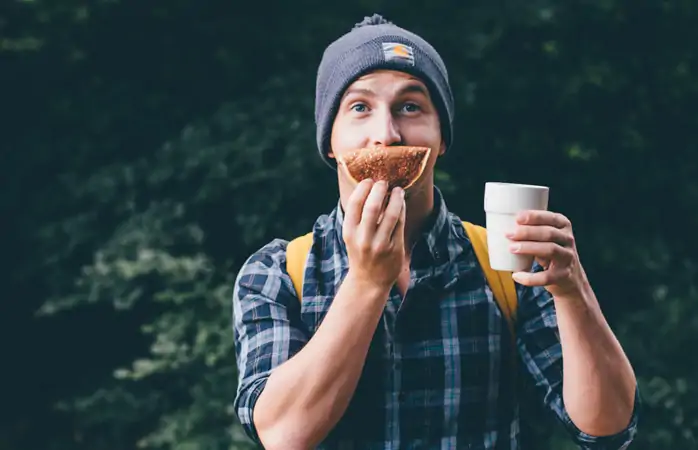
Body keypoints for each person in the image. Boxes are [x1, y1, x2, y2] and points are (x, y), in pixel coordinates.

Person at [232, 13, 640, 450]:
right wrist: (369, 282)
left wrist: (573, 290)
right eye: (359, 108)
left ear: (441, 136)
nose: (386, 136)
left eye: (411, 106)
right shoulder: (276, 273)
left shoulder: (506, 262)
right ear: (329, 141)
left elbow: (606, 430)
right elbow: (283, 435)